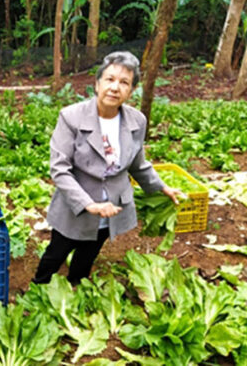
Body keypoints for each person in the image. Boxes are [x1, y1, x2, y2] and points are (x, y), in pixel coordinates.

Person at [33, 51, 182, 285]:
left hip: (112, 206)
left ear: (131, 91)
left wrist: (162, 188)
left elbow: (138, 163)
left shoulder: (136, 121)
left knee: (89, 253)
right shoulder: (71, 117)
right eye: (110, 79)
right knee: (57, 252)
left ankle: (76, 286)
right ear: (97, 83)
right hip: (76, 205)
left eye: (124, 83)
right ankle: (39, 287)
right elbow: (60, 169)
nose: (115, 87)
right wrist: (88, 204)